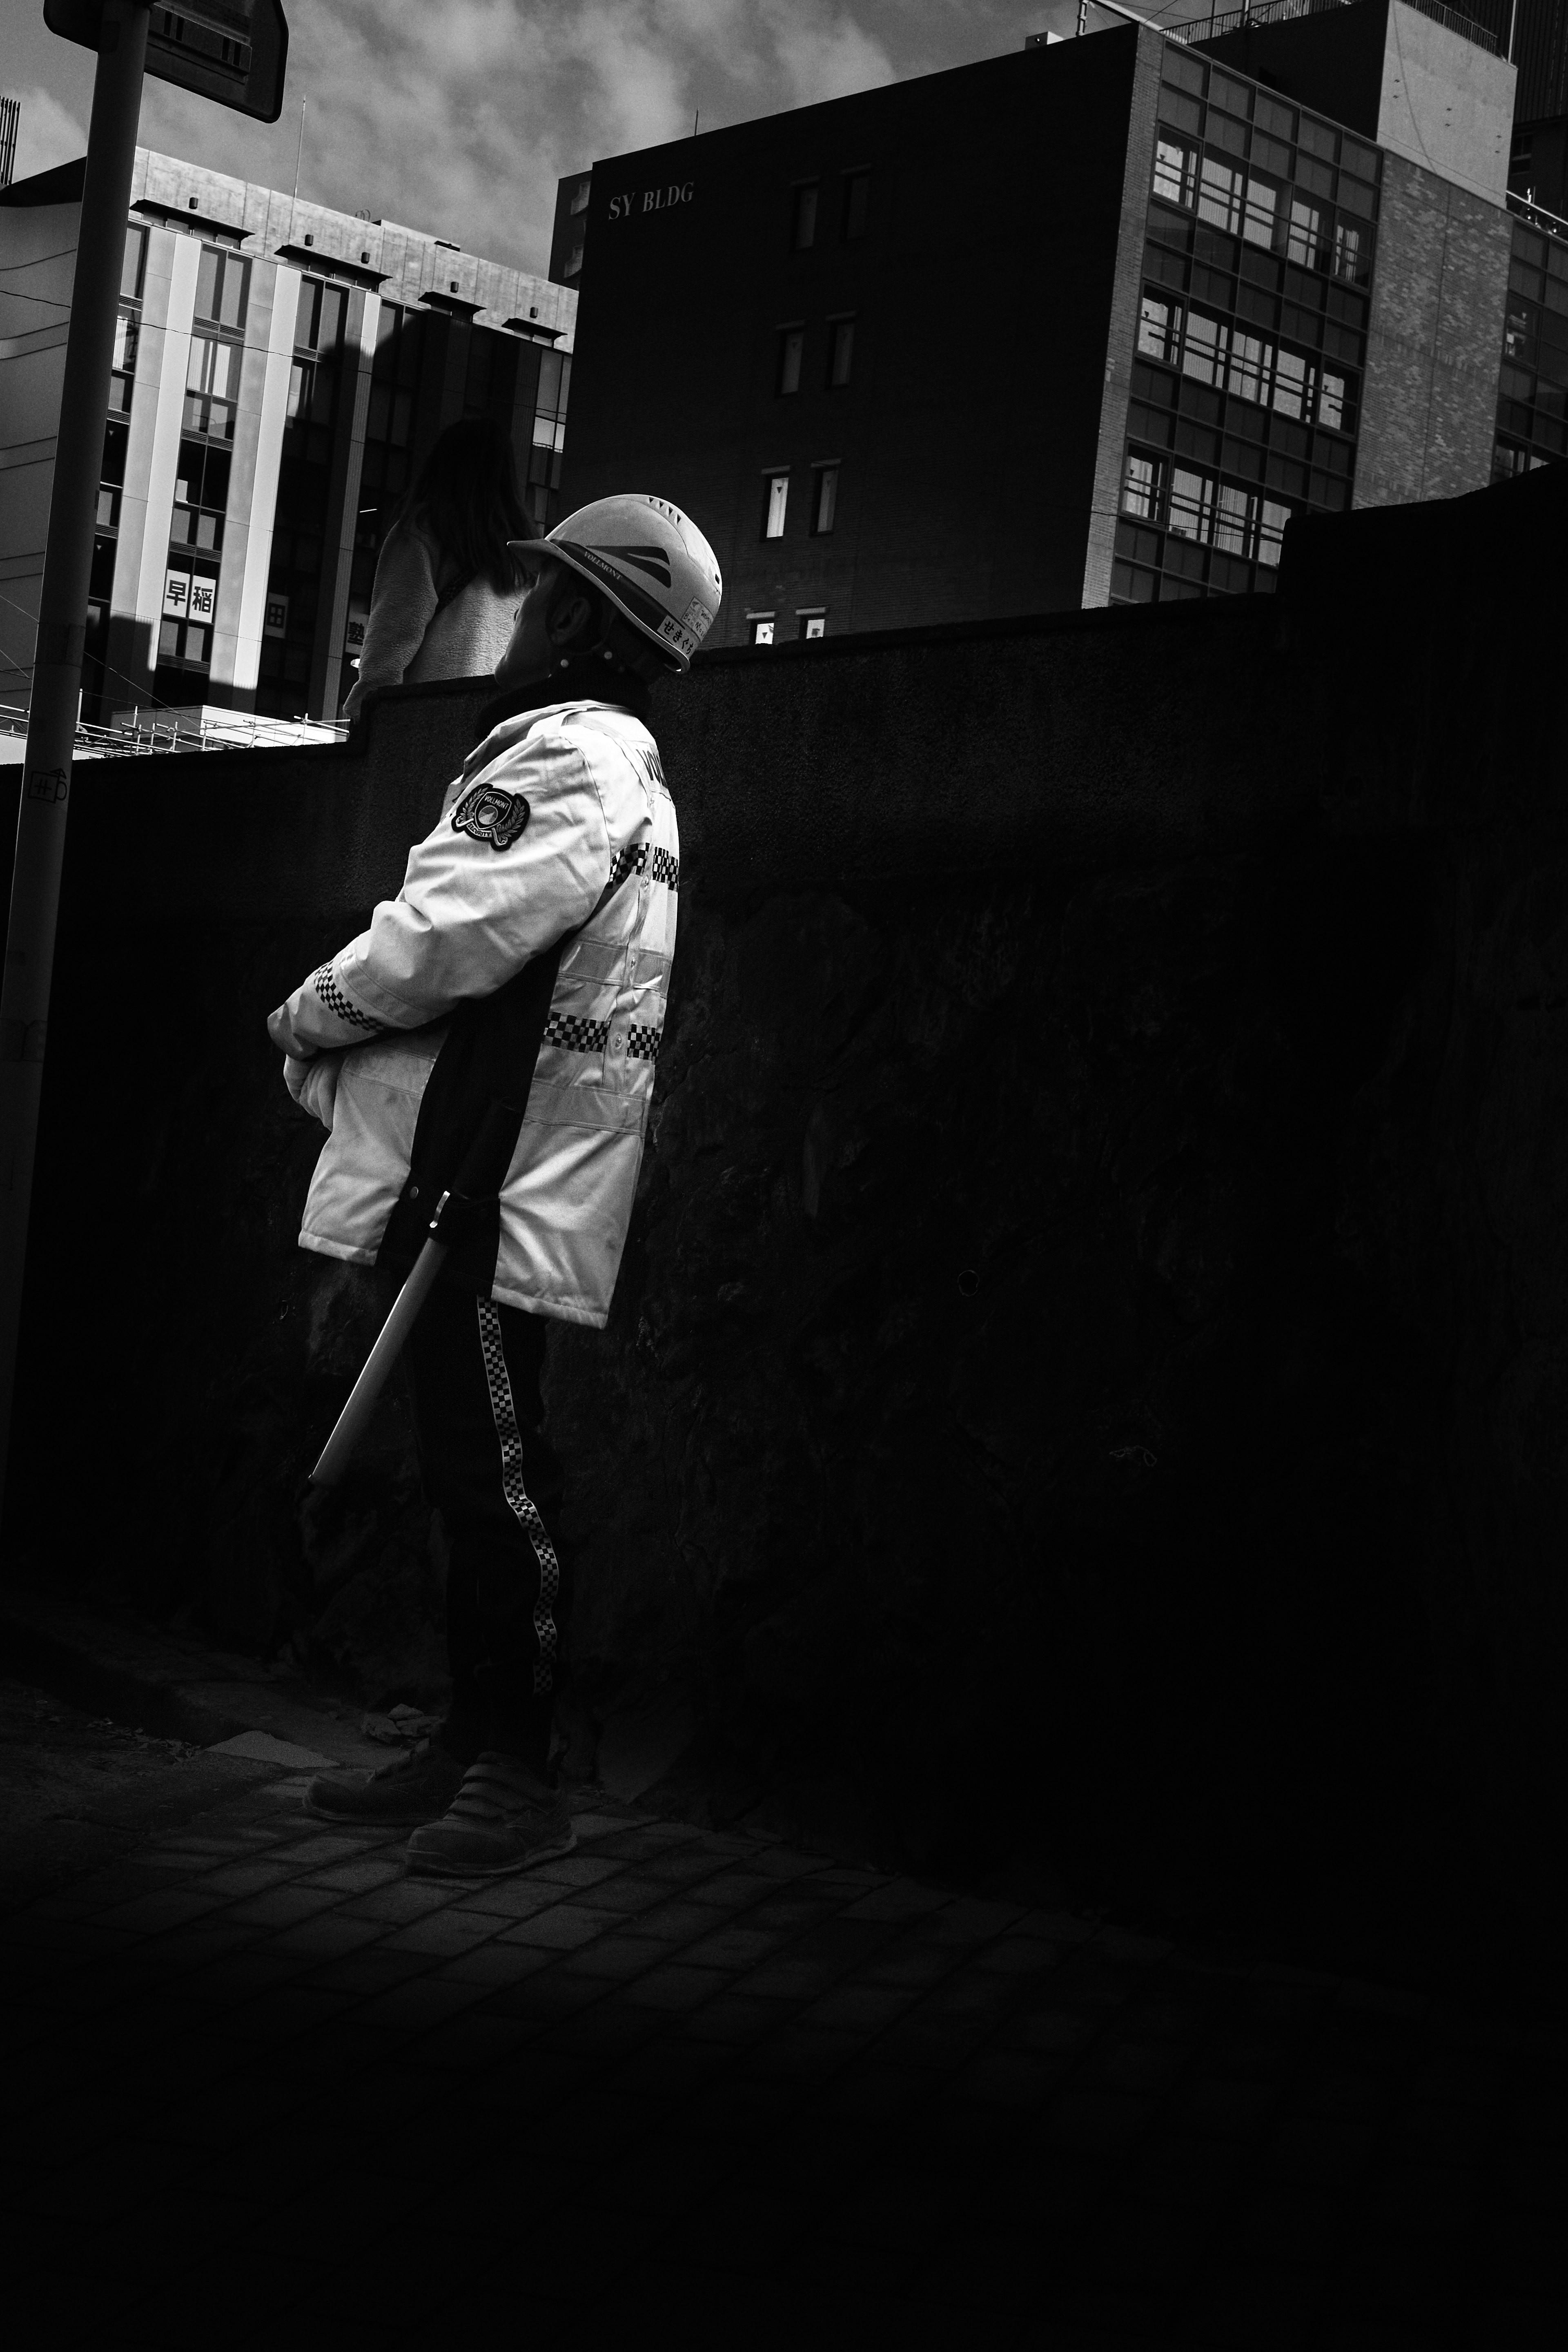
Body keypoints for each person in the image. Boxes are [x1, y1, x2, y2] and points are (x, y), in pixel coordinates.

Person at [267, 495, 722, 1878]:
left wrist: (312, 1007)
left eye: (544, 595)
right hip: (497, 1165)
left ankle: (516, 1776)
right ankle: (474, 1743)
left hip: (488, 1175)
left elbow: (452, 932)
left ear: (584, 614)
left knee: (495, 1477)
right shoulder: (616, 764)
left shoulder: (574, 759)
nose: (520, 614)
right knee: (478, 1467)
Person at [342, 415, 534, 720]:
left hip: (428, 720)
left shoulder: (423, 531)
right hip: (497, 726)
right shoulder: (527, 552)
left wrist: (368, 714)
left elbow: (393, 641)